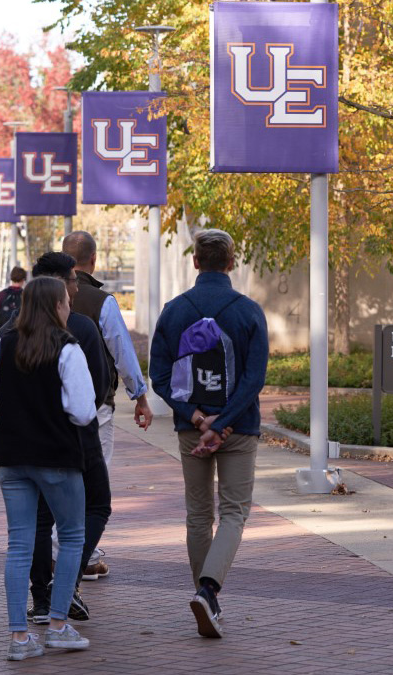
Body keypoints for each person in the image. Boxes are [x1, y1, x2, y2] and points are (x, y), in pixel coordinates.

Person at [149, 229, 269, 639]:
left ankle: (205, 596)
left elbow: (160, 376)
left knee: (198, 514)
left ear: (195, 262)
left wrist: (198, 418)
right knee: (234, 511)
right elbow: (254, 379)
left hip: (191, 429)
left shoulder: (173, 310)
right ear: (232, 262)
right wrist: (223, 423)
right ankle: (208, 591)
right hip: (239, 428)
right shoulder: (249, 312)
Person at [0, 276, 96, 660]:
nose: (69, 306)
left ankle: (19, 638)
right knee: (73, 536)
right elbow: (82, 411)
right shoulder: (67, 348)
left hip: (11, 457)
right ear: (55, 306)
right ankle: (59, 625)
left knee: (19, 544)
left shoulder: (6, 343)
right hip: (56, 456)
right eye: (65, 300)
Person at [10, 252, 112, 624]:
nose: (76, 286)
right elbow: (98, 389)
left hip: (21, 444)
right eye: (71, 279)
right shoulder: (80, 329)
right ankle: (61, 591)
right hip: (75, 440)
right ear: (56, 285)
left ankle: (39, 600)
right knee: (94, 507)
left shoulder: (11, 331)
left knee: (35, 522)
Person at [62, 231, 152, 579]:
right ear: (94, 260)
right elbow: (122, 352)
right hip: (96, 406)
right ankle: (79, 555)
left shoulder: (40, 297)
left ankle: (72, 550)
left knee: (60, 479)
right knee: (92, 482)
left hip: (49, 407)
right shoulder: (102, 302)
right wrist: (139, 396)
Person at [0, 266, 27, 347]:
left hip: (3, 336)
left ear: (11, 278)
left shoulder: (1, 295)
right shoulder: (26, 295)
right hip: (21, 338)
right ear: (23, 280)